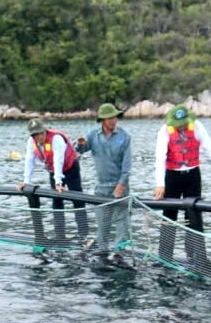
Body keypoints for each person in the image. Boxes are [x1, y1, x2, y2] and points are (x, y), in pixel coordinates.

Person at [152, 105, 211, 268]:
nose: (181, 126)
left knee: (194, 215)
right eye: (178, 123)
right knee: (169, 215)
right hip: (172, 176)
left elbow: (210, 147)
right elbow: (159, 158)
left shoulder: (197, 126)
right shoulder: (164, 131)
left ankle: (197, 256)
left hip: (192, 175)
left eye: (183, 123)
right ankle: (165, 256)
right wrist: (160, 184)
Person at [17, 118, 89, 243]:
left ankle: (84, 235)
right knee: (56, 201)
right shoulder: (31, 142)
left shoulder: (56, 139)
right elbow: (29, 161)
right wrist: (26, 181)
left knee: (78, 199)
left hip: (70, 167)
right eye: (35, 135)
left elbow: (58, 160)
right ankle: (60, 235)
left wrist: (58, 182)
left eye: (40, 133)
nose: (38, 137)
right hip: (52, 170)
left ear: (44, 131)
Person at [76, 103, 132, 251]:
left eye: (115, 117)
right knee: (103, 225)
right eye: (110, 118)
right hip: (101, 187)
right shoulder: (92, 135)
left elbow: (127, 166)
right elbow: (80, 151)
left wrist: (122, 184)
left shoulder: (125, 137)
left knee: (122, 222)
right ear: (103, 120)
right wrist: (80, 145)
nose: (114, 120)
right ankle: (102, 251)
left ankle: (120, 252)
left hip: (120, 186)